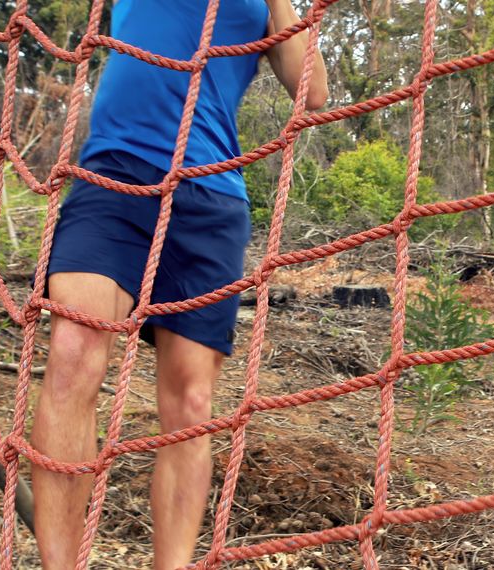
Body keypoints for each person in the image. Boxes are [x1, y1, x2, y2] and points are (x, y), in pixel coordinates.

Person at [28, 0, 327, 568]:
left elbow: (311, 90)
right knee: (72, 354)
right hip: (112, 174)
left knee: (190, 403)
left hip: (209, 193)